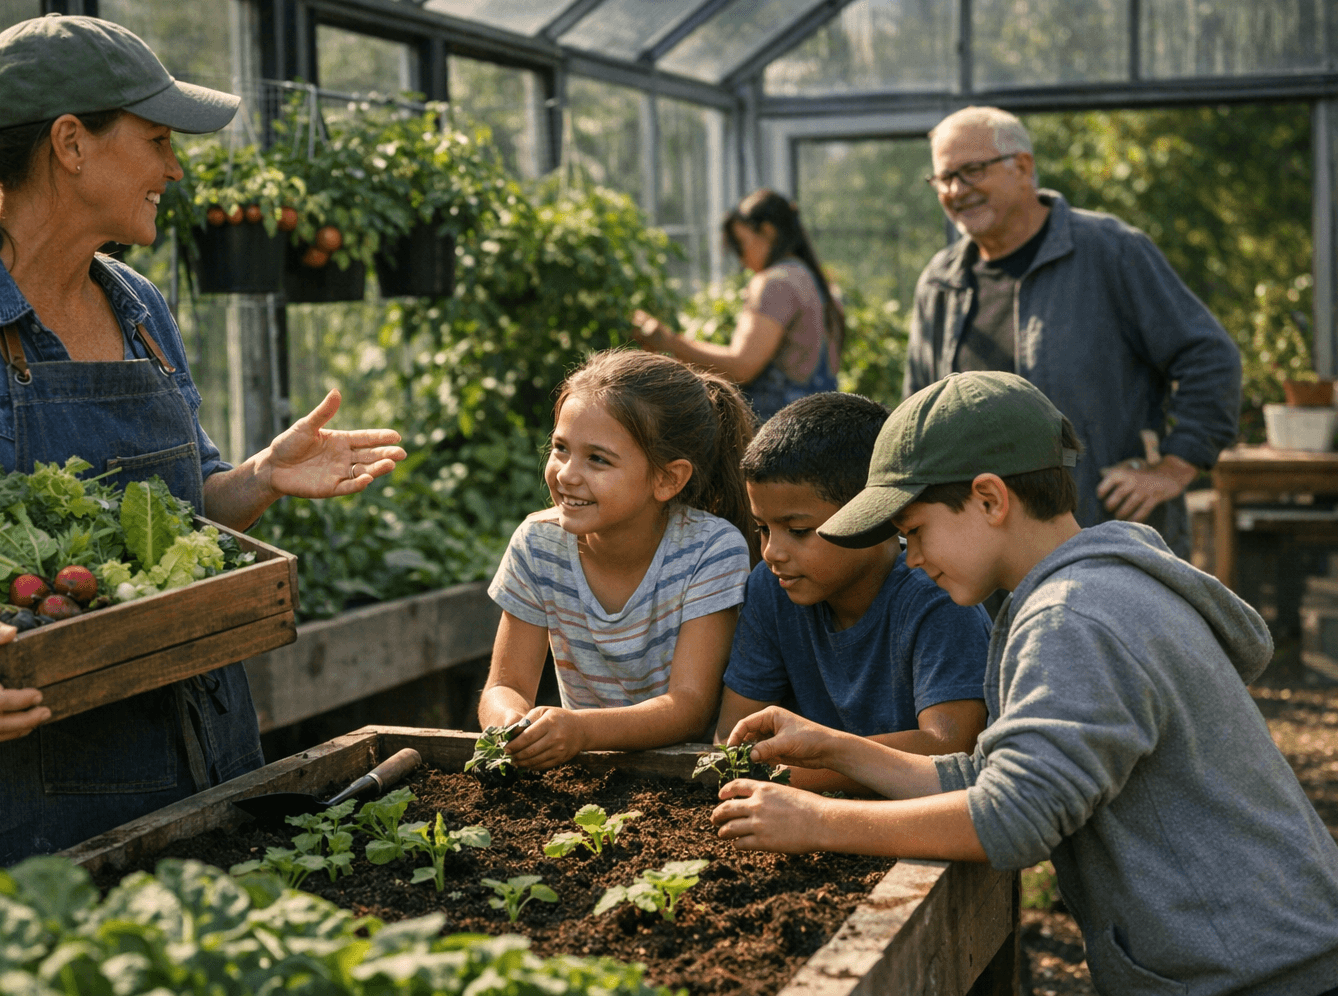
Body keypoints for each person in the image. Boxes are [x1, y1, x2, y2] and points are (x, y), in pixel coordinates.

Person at [0, 15, 405, 862]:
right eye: (156, 138)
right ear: (71, 143)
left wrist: (262, 476)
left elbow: (181, 509)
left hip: (204, 771)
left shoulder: (137, 306)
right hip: (24, 817)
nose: (173, 167)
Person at [712, 372, 1338, 996]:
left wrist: (819, 820)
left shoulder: (1074, 618)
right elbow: (993, 777)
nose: (910, 558)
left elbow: (1010, 819)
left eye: (916, 532)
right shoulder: (1093, 588)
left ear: (989, 499)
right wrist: (834, 747)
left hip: (1263, 977)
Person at [907, 106, 1241, 557]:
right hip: (981, 557)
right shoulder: (942, 282)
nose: (955, 191)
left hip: (1103, 539)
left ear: (1021, 166)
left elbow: (1209, 356)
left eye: (970, 172)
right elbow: (917, 414)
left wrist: (1176, 465)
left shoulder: (1109, 250)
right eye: (943, 178)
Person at [478, 349, 754, 769]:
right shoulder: (538, 544)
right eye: (560, 448)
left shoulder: (710, 550)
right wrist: (513, 726)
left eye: (598, 459)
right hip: (584, 768)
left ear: (667, 479)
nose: (567, 473)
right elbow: (505, 684)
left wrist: (581, 730)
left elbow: (689, 706)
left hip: (683, 775)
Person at [715, 391, 989, 794]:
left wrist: (805, 766)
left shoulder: (937, 598)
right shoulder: (770, 588)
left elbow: (950, 751)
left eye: (798, 530)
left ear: (871, 514)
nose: (772, 552)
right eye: (762, 528)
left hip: (924, 822)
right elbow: (734, 737)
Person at [632, 188, 844, 423]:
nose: (742, 261)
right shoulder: (815, 282)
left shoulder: (776, 283)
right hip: (819, 426)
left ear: (768, 232)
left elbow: (742, 366)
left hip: (778, 430)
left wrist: (669, 342)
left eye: (741, 244)